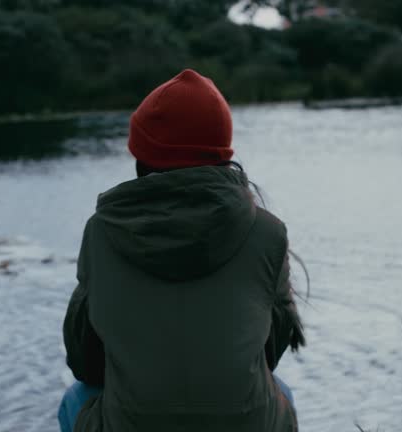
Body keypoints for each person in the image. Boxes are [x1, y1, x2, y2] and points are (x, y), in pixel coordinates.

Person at [59, 69, 306, 432]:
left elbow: (84, 360)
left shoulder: (101, 232)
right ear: (222, 149)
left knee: (75, 399)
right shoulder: (268, 232)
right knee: (279, 393)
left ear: (142, 156)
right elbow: (271, 351)